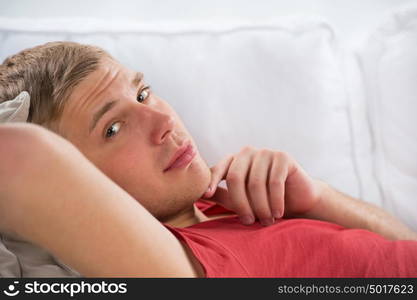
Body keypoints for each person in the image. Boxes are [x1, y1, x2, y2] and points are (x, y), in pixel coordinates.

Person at [0, 42, 416, 278]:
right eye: (113, 128)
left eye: (143, 94)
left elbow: (400, 251)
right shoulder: (175, 265)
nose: (164, 119)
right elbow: (22, 158)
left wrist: (317, 197)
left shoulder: (223, 202)